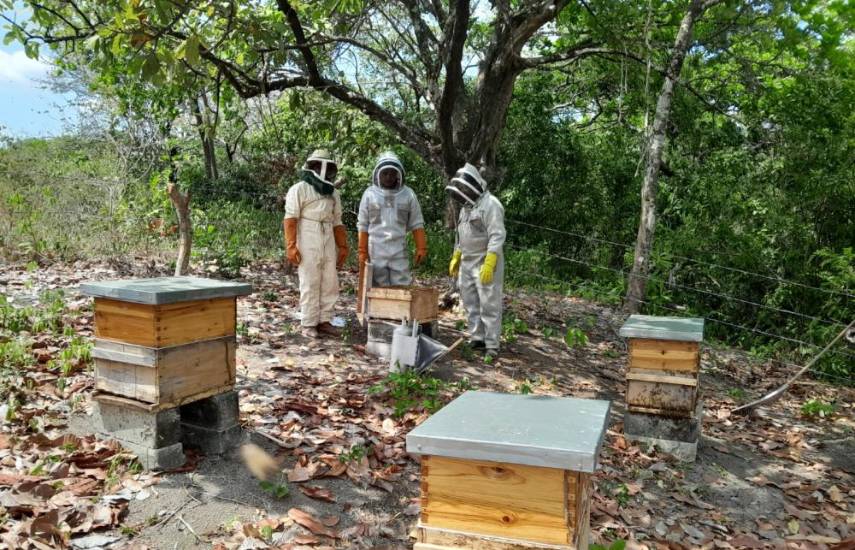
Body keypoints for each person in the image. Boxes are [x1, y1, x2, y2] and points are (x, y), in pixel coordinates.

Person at [283, 149, 349, 338]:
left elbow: (337, 221)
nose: (324, 171)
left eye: (326, 167)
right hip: (307, 232)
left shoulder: (333, 193)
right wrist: (291, 245)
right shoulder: (299, 189)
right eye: (319, 166)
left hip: (327, 233)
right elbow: (290, 218)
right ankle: (309, 322)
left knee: (330, 280)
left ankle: (325, 320)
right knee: (310, 279)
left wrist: (343, 246)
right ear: (313, 167)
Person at [446, 163, 506, 360]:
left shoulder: (491, 205)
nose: (463, 192)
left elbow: (497, 235)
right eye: (461, 188)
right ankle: (477, 338)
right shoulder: (466, 208)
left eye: (465, 187)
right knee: (470, 301)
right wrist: (457, 255)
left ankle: (492, 344)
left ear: (474, 184)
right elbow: (461, 235)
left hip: (486, 260)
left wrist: (490, 262)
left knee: (489, 303)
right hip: (468, 262)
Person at [357, 151, 427, 287]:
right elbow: (363, 224)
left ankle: (398, 309)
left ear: (398, 174)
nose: (389, 177)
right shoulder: (369, 194)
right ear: (378, 173)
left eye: (392, 173)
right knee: (377, 290)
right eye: (385, 173)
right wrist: (362, 251)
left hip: (399, 250)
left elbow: (417, 222)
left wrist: (421, 247)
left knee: (401, 288)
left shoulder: (408, 194)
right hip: (375, 251)